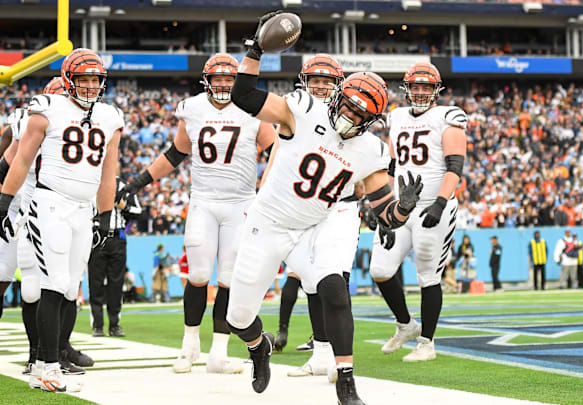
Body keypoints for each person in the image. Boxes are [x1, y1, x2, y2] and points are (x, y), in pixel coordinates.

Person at [224, 13, 424, 405]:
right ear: (337, 99)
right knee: (238, 318)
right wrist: (254, 50)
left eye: (361, 116)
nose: (351, 118)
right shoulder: (301, 109)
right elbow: (244, 96)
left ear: (372, 121)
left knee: (335, 288)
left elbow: (386, 215)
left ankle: (345, 380)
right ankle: (257, 346)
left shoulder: (370, 150)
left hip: (316, 225)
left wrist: (403, 208)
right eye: (348, 108)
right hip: (269, 222)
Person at [116, 53, 275, 375]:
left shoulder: (254, 110)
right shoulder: (191, 108)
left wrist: (268, 191)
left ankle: (219, 353)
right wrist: (138, 182)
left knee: (228, 279)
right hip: (203, 199)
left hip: (241, 203)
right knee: (199, 276)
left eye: (229, 79)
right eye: (217, 79)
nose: (223, 85)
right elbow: (176, 153)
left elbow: (277, 152)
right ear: (206, 81)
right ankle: (189, 347)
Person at [0, 48, 123, 393]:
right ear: (68, 79)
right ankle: (49, 367)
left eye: (96, 79)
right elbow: (21, 160)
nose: (90, 85)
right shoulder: (47, 108)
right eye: (83, 78)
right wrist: (5, 201)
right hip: (50, 202)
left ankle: (44, 364)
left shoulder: (110, 116)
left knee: (69, 286)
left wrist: (106, 215)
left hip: (84, 209)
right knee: (51, 283)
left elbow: (109, 172)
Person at [0, 79, 64, 375]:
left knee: (39, 285)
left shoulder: (81, 124)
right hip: (15, 205)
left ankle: (42, 354)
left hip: (47, 210)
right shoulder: (25, 120)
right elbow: (0, 160)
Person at [368, 61, 467, 362]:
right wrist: (381, 202)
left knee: (428, 276)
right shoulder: (396, 116)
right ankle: (406, 324)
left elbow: (455, 166)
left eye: (426, 86)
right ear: (407, 88)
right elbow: (393, 165)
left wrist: (440, 201)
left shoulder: (447, 117)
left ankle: (427, 342)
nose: (421, 92)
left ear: (436, 90)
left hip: (431, 206)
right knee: (380, 270)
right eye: (416, 86)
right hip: (400, 205)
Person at [272, 54, 348, 364]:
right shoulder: (295, 111)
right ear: (304, 82)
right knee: (307, 278)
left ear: (337, 85)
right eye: (314, 81)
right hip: (301, 203)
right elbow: (278, 155)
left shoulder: (347, 113)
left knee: (333, 279)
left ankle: (337, 355)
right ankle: (321, 349)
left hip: (339, 205)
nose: (319, 87)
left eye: (326, 82)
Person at [88, 176, 142, 338]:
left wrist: (123, 206)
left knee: (116, 283)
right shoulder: (90, 182)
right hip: (96, 237)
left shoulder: (123, 186)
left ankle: (114, 325)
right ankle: (97, 325)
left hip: (117, 237)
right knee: (95, 283)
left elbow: (138, 211)